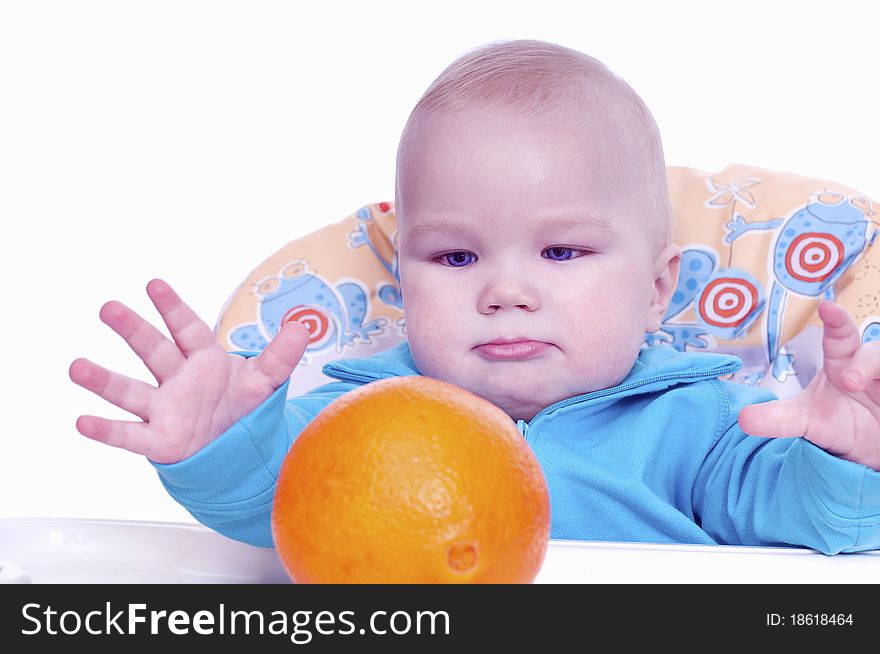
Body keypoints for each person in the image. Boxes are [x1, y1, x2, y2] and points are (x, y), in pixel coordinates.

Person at [69, 40, 880, 553]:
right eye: (455, 255)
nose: (504, 290)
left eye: (562, 250)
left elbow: (810, 525)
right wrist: (222, 448)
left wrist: (843, 458)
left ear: (658, 288)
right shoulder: (360, 417)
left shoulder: (707, 426)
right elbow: (270, 513)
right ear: (401, 278)